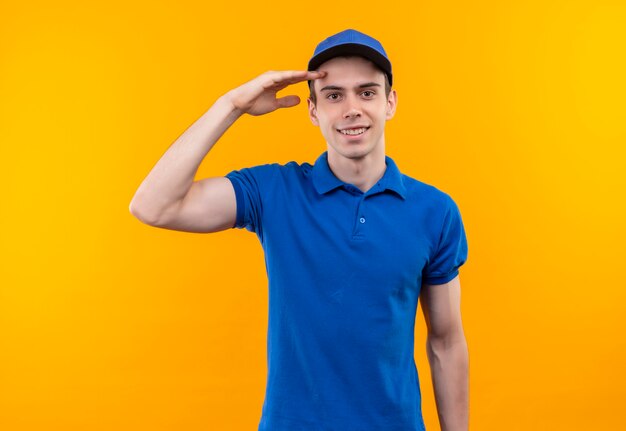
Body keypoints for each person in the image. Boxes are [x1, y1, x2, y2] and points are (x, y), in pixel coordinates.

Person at [130, 29, 469, 431]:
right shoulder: (273, 192)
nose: (351, 109)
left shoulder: (435, 211)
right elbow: (153, 206)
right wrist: (232, 105)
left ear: (389, 102)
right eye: (333, 95)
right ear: (312, 111)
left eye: (366, 92)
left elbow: (446, 343)